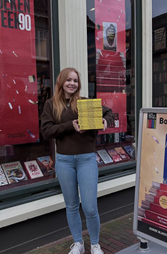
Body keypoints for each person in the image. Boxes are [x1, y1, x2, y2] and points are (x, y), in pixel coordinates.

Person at [41, 67, 114, 254]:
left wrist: (106, 121)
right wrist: (70, 126)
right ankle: (78, 243)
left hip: (86, 159)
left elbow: (109, 112)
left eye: (75, 80)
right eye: (69, 80)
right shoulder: (51, 104)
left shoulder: (85, 103)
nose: (72, 83)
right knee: (72, 205)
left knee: (90, 207)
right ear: (61, 82)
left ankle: (95, 244)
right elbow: (46, 131)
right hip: (64, 161)